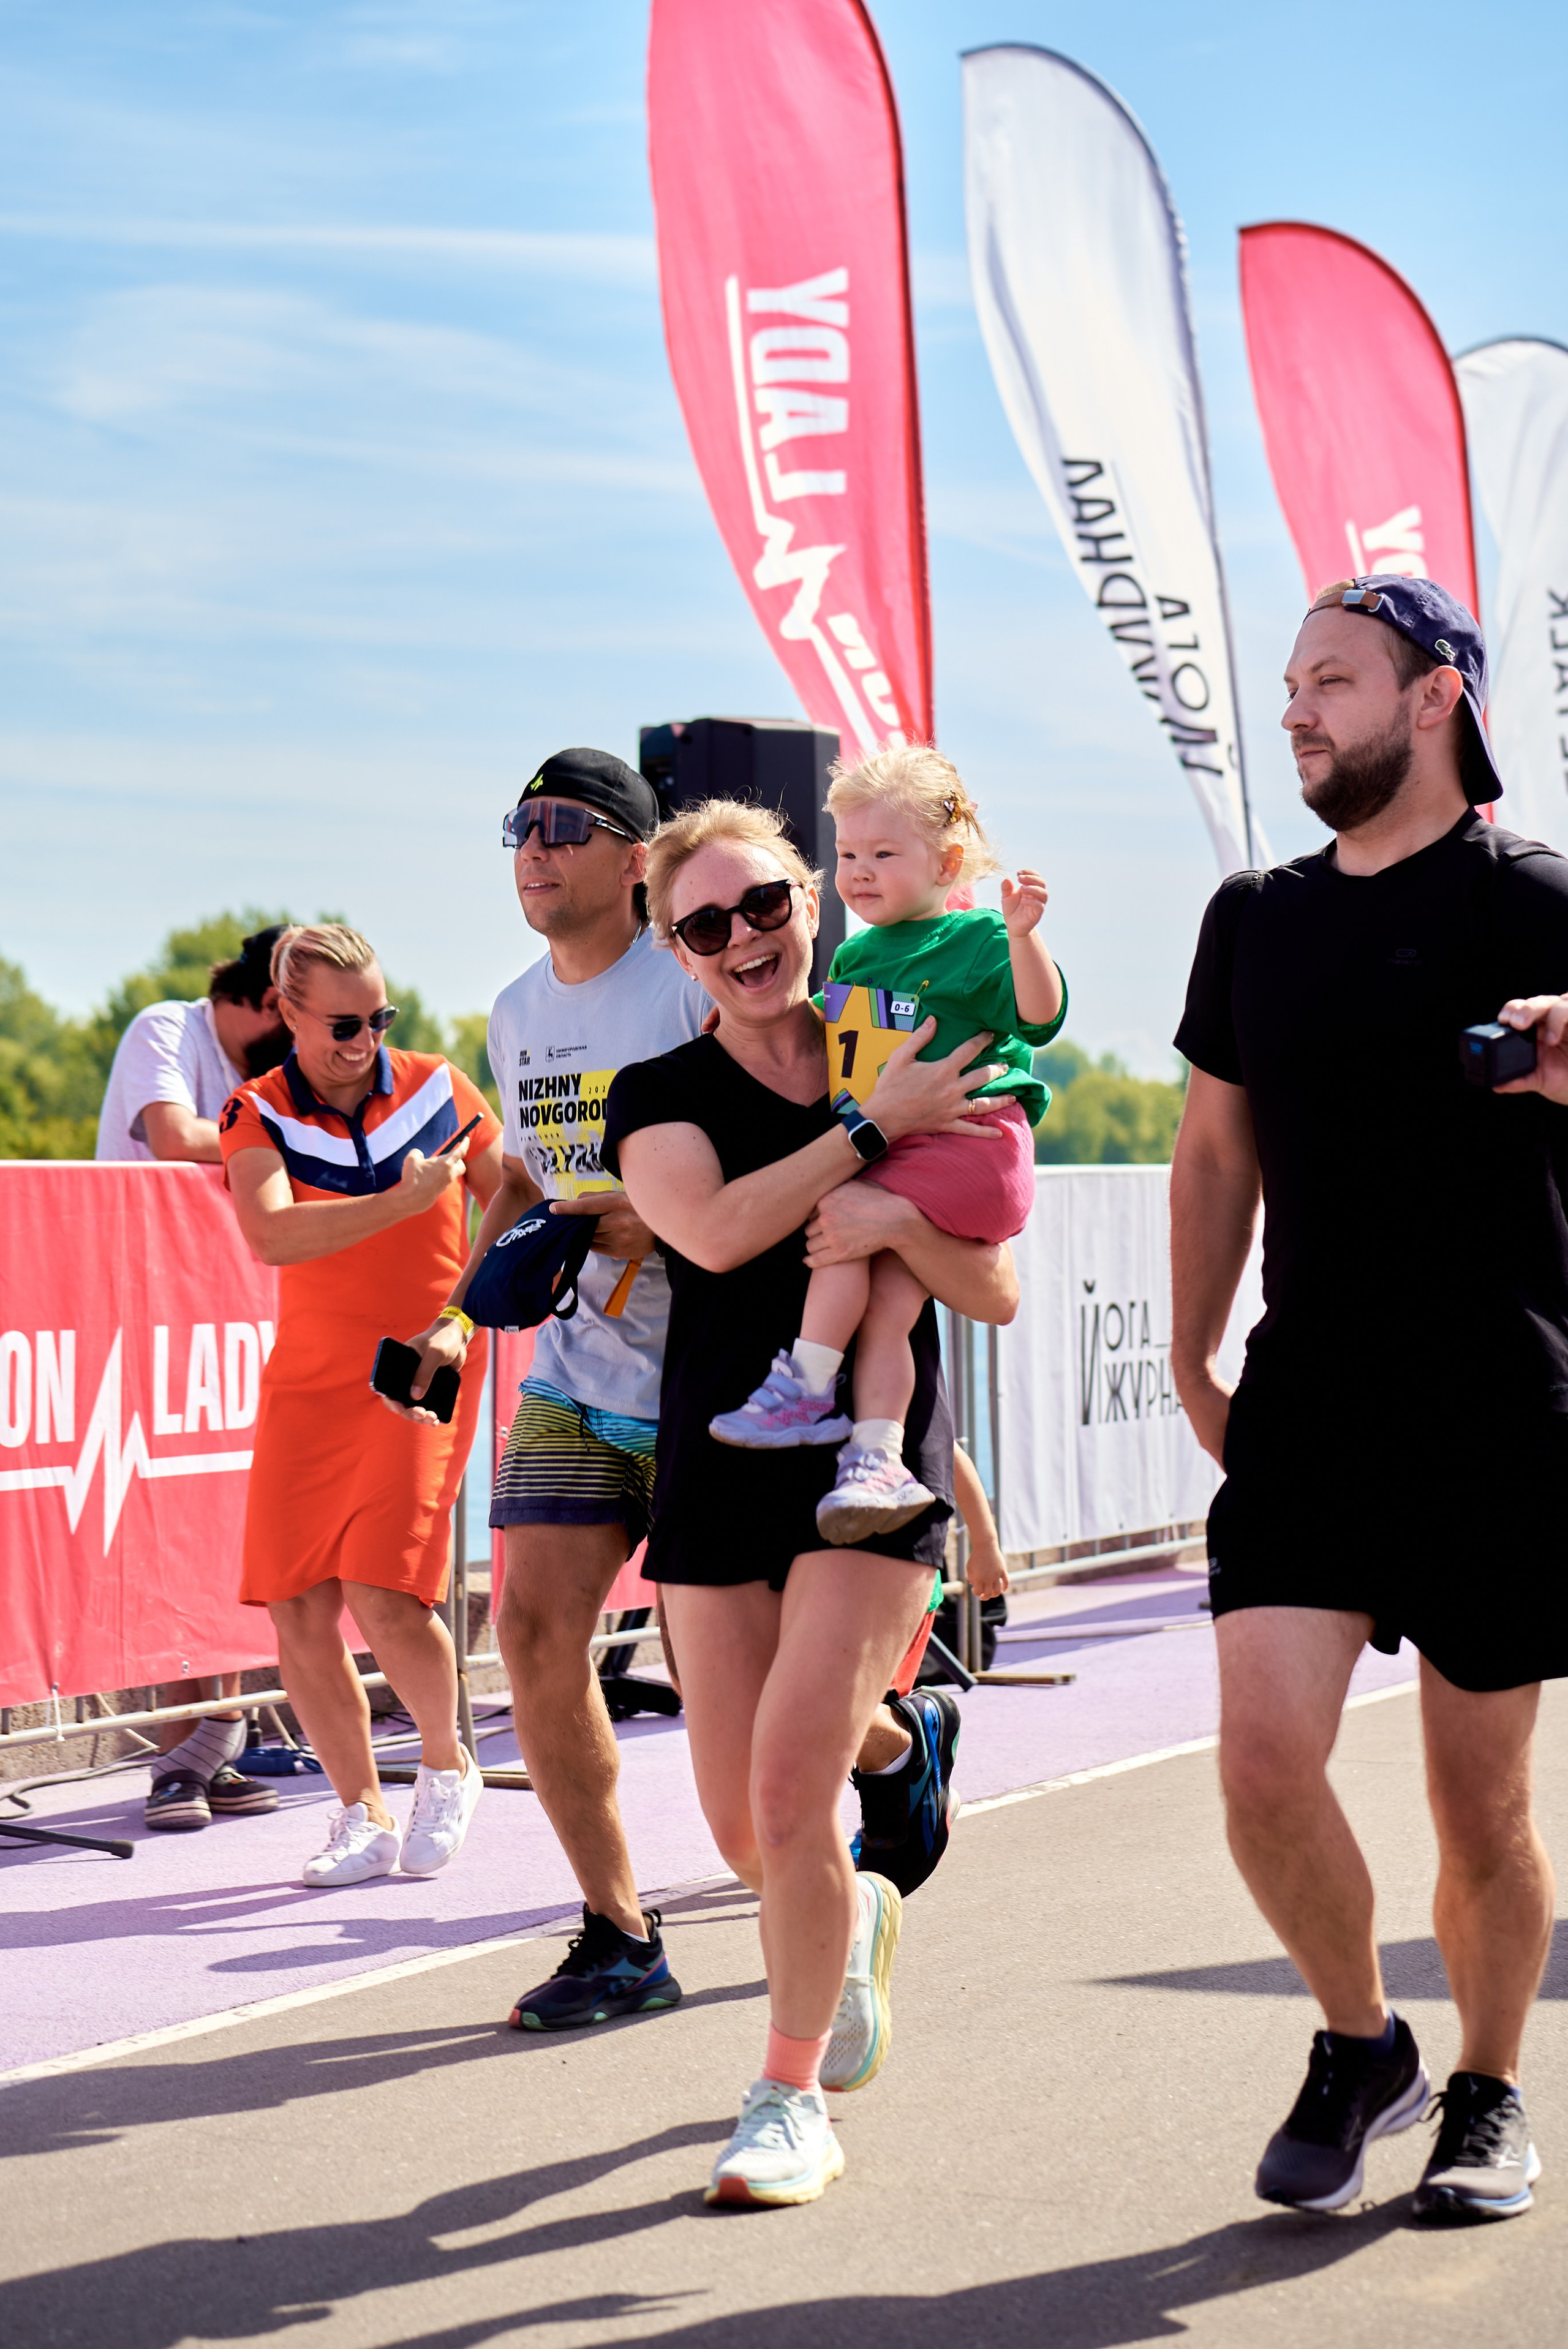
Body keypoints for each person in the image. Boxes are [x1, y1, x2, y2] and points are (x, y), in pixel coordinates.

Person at [1170, 575, 1568, 2224]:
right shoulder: (1253, 915)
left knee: (1477, 1798)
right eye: (1292, 684)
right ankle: (1361, 2041)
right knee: (1264, 1758)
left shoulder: (1536, 893)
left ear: (1434, 697)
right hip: (1313, 1389)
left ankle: (1486, 2089)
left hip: (1501, 1397)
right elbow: (1211, 1149)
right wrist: (1195, 1354)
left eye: (1332, 679)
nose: (1298, 709)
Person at [603, 797, 1020, 2209]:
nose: (744, 942)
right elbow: (717, 1231)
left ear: (813, 900)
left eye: (765, 906)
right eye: (705, 926)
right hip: (720, 1462)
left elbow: (996, 1287)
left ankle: (784, 2099)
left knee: (788, 1792)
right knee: (744, 1827)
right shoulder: (654, 1097)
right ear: (677, 947)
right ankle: (890, 1778)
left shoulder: (919, 1030)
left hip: (870, 1460)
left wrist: (904, 1209)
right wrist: (866, 1128)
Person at [396, 749, 709, 2029]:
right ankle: (620, 1933)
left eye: (567, 827)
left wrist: (648, 1216)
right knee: (530, 1637)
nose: (534, 847)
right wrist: (463, 1314)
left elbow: (760, 1155)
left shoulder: (688, 988)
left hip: (711, 1375)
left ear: (636, 860)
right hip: (579, 1377)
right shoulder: (513, 1010)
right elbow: (527, 1179)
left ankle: (896, 1743)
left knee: (724, 1673)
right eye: (520, 826)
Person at [710, 747, 1064, 1553]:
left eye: (883, 854)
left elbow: (1041, 1019)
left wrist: (1023, 939)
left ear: (946, 862)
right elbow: (831, 1042)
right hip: (915, 1147)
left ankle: (804, 1383)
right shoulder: (856, 955)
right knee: (888, 1311)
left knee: (840, 1213)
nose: (859, 872)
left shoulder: (976, 937)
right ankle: (876, 1455)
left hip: (971, 1139)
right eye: (847, 856)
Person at [220, 924, 503, 1888]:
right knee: (298, 1607)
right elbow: (272, 1235)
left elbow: (511, 1205)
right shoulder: (252, 1109)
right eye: (343, 1022)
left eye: (379, 1017)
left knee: (386, 1590)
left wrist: (466, 1316)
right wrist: (402, 1198)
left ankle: (444, 1763)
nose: (365, 1038)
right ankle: (360, 1815)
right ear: (286, 1013)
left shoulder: (441, 1086)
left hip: (419, 1370)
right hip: (308, 1382)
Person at [95, 924, 291, 1834]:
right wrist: (277, 1149)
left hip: (223, 1315)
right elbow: (173, 1136)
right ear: (256, 999)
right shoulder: (165, 1031)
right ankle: (180, 1761)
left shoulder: (262, 1065)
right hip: (138, 1310)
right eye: (290, 1015)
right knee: (169, 1529)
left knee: (224, 1528)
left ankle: (207, 1752)